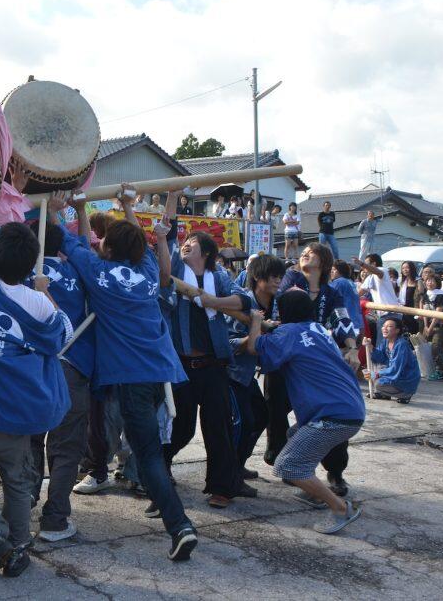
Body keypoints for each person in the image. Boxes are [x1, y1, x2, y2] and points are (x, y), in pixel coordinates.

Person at [61, 185, 199, 562]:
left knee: (148, 455)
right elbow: (132, 242)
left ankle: (180, 525)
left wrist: (78, 206)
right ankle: (177, 521)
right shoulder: (148, 271)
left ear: (105, 247)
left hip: (130, 377)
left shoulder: (98, 274)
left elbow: (72, 243)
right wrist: (128, 209)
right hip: (159, 374)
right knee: (147, 448)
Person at [0, 218, 70, 578]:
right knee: (16, 479)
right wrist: (42, 289)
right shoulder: (38, 303)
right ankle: (18, 542)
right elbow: (63, 334)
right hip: (18, 410)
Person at [246, 291, 364, 535]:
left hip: (333, 416)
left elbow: (253, 347)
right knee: (294, 435)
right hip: (351, 408)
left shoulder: (287, 333)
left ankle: (340, 508)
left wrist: (256, 320)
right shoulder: (319, 330)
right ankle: (316, 494)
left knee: (287, 465)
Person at [166, 227, 252, 508]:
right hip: (182, 365)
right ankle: (156, 472)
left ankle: (221, 488)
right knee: (180, 426)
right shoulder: (176, 272)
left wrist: (212, 301)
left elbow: (244, 301)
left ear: (205, 252)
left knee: (219, 427)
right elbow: (167, 245)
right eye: (184, 242)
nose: (185, 245)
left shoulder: (219, 277)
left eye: (191, 243)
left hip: (214, 364)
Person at [267, 243, 358, 497]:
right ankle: (284, 459)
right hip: (287, 356)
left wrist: (351, 347)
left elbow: (342, 319)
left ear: (324, 261)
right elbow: (284, 306)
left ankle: (335, 471)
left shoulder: (332, 293)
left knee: (329, 415)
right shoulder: (292, 278)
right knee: (275, 405)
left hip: (316, 365)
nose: (305, 254)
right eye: (304, 252)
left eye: (311, 252)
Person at [27, 200, 93, 544]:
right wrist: (75, 212)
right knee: (67, 448)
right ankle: (54, 519)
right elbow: (81, 244)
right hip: (74, 368)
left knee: (32, 441)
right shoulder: (79, 271)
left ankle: (23, 509)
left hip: (33, 371)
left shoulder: (20, 275)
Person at [226, 254, 284, 482]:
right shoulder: (244, 304)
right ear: (258, 277)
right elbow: (228, 343)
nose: (277, 282)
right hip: (234, 374)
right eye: (273, 277)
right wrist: (256, 334)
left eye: (280, 277)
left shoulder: (276, 304)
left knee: (261, 416)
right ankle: (231, 471)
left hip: (249, 374)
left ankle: (238, 463)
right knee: (245, 422)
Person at [366, 317, 421, 403]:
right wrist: (370, 347)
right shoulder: (386, 341)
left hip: (406, 377)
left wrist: (377, 374)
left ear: (397, 330)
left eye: (389, 326)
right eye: (384, 326)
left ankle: (405, 394)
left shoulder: (401, 345)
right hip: (396, 372)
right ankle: (385, 393)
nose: (384, 328)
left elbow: (396, 368)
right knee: (371, 374)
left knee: (377, 382)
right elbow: (380, 357)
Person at [396, 261, 421, 334]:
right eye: (403, 268)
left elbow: (421, 297)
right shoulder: (402, 282)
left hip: (414, 310)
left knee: (413, 333)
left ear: (412, 269)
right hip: (403, 310)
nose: (405, 270)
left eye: (407, 268)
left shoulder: (418, 281)